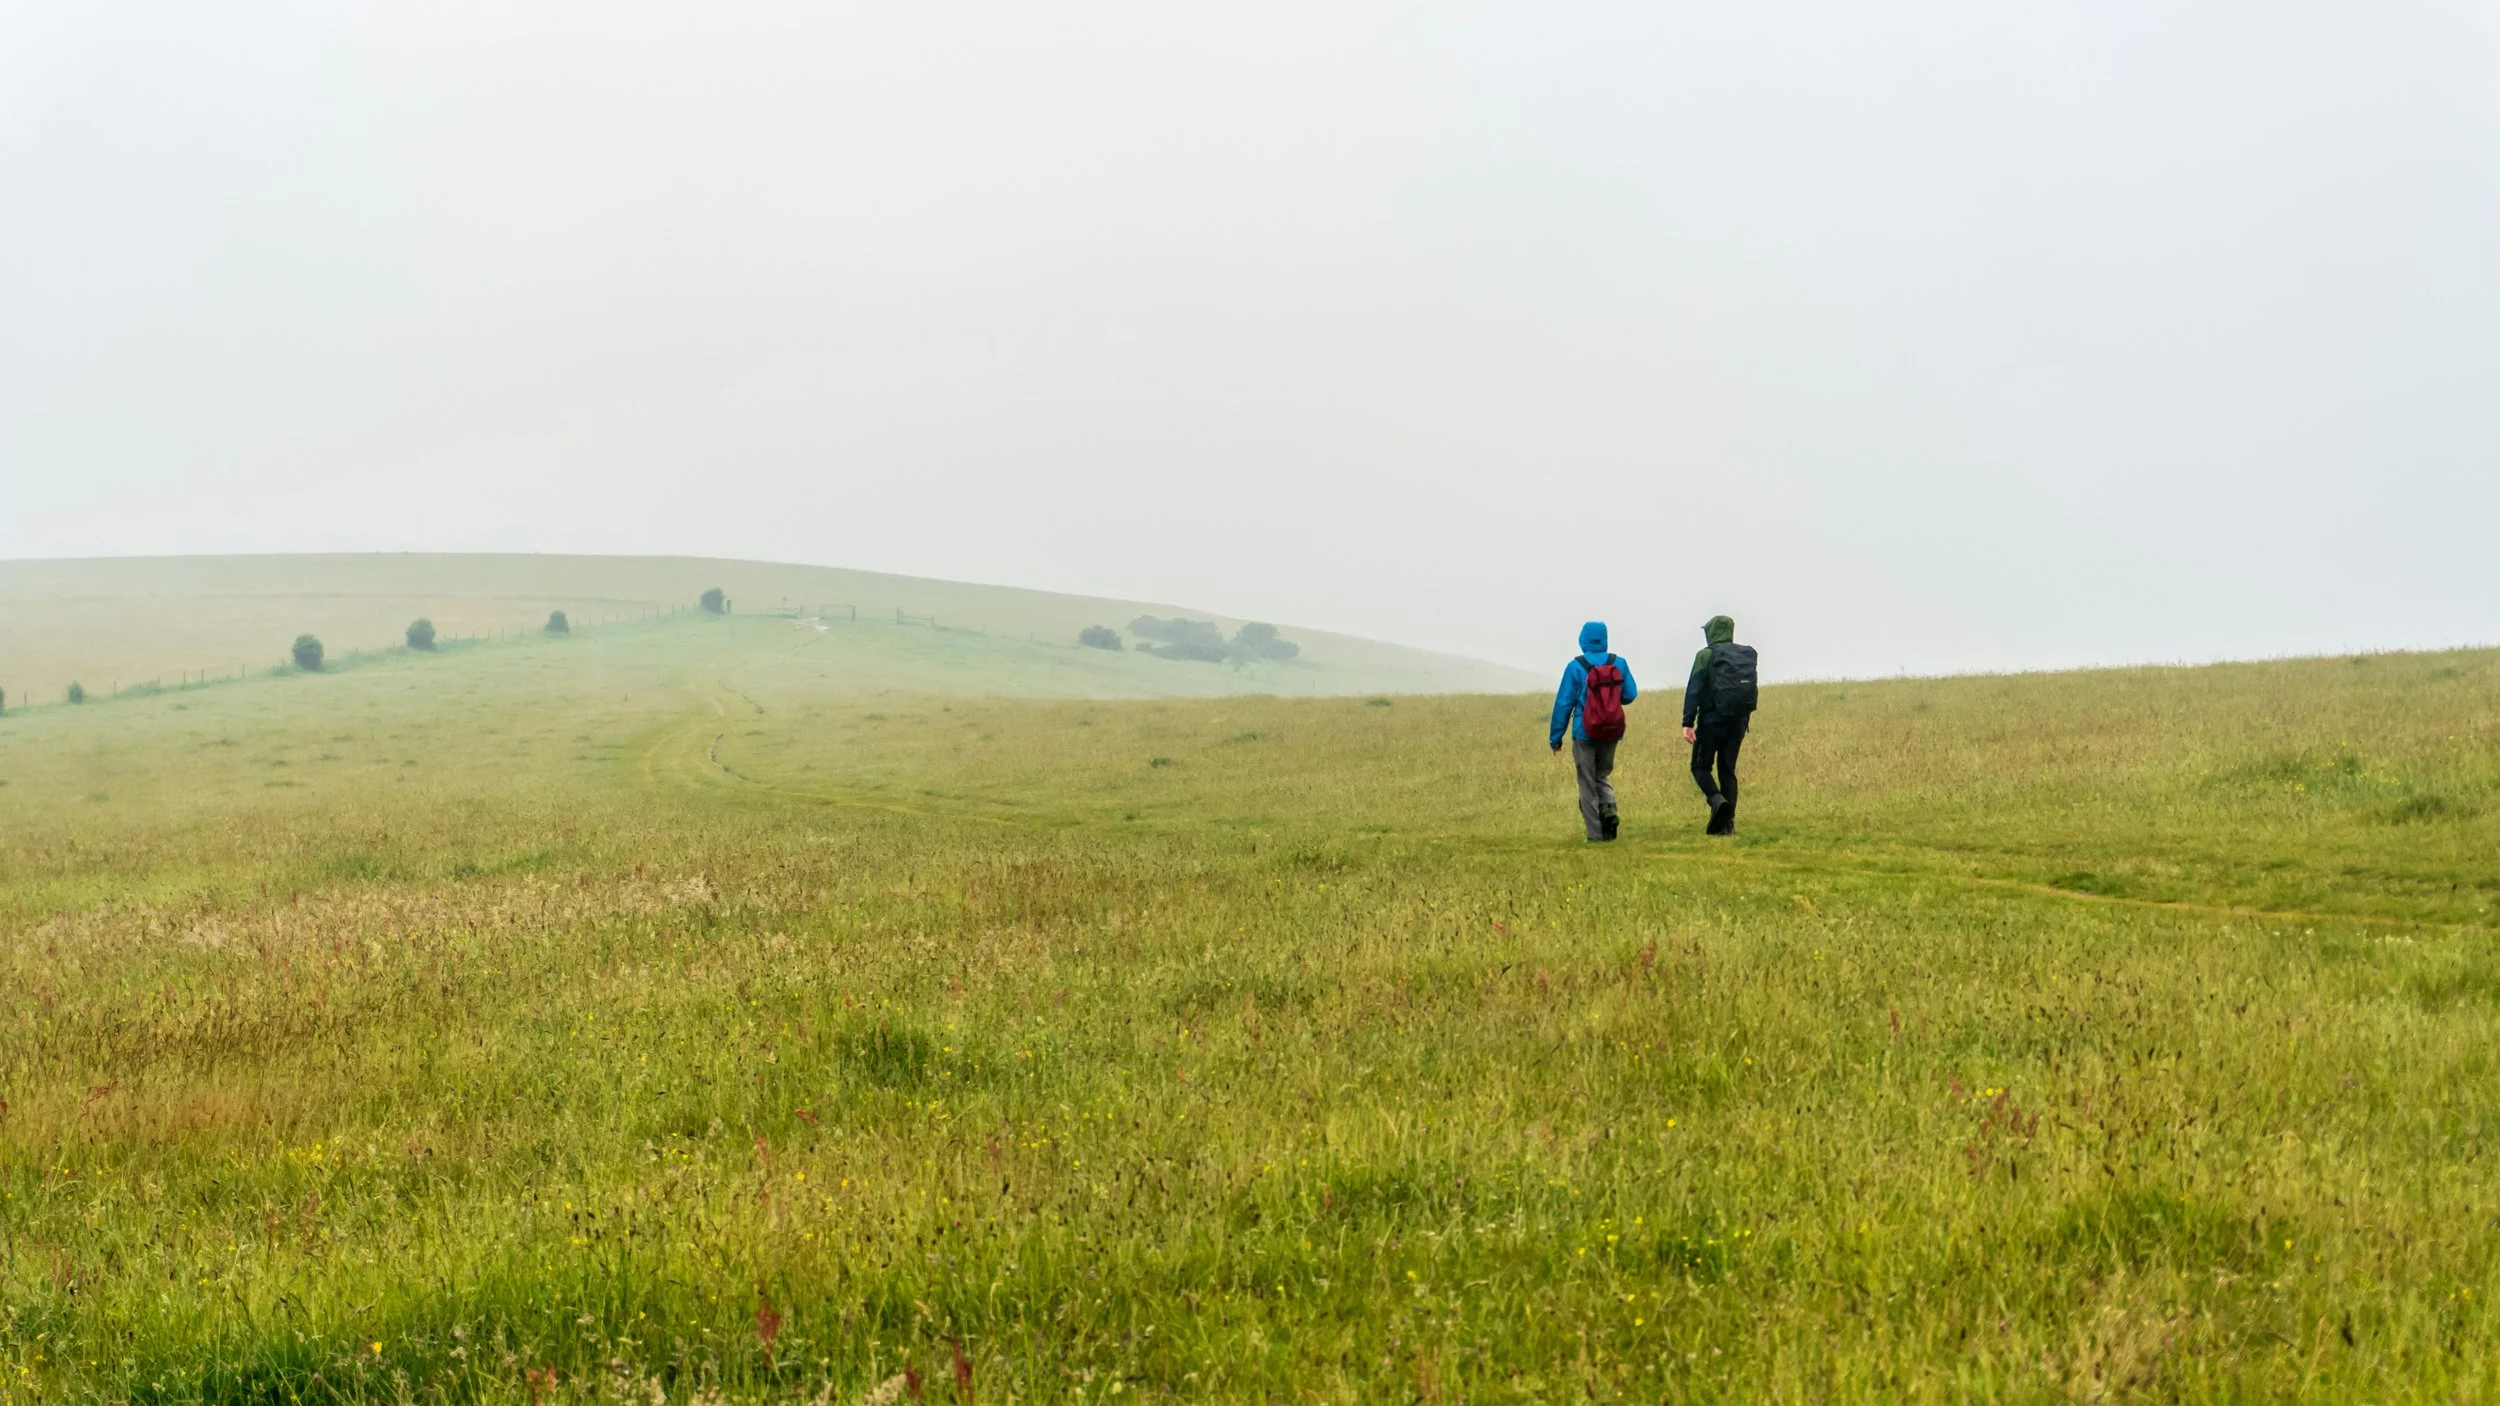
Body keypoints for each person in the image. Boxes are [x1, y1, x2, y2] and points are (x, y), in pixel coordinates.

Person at [1548, 621, 1637, 842]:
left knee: (1587, 781)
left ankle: (1595, 834)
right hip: (1612, 730)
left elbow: (1563, 704)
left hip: (1584, 732)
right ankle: (1609, 812)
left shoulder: (1575, 666)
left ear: (1583, 639)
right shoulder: (1619, 663)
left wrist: (1555, 738)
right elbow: (1630, 694)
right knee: (1602, 775)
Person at [1681, 615, 1757, 835]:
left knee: (1700, 767)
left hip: (1711, 721)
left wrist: (1687, 722)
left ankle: (1716, 801)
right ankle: (1728, 825)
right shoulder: (1744, 654)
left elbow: (1694, 689)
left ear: (1711, 632)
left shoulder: (1705, 655)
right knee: (1727, 769)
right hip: (1739, 721)